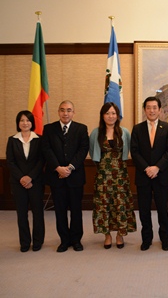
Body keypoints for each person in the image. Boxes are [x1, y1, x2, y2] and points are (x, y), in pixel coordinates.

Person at [42, 100, 89, 252]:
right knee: (60, 211)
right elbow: (47, 150)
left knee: (76, 210)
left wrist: (69, 168)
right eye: (62, 110)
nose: (65, 113)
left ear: (73, 113)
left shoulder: (81, 129)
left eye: (69, 110)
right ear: (58, 112)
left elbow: (83, 150)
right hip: (57, 177)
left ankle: (76, 240)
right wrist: (58, 168)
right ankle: (64, 240)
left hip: (75, 176)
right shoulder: (49, 129)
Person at [89, 102, 136, 249]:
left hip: (120, 175)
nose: (111, 116)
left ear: (117, 115)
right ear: (102, 115)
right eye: (107, 113)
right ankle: (107, 235)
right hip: (103, 175)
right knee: (104, 205)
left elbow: (129, 152)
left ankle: (120, 234)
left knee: (120, 204)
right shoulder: (96, 133)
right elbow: (92, 152)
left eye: (113, 113)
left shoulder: (125, 132)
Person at [131, 96, 168, 251]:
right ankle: (146, 239)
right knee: (144, 209)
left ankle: (165, 238)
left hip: (161, 175)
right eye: (148, 107)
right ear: (144, 110)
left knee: (162, 208)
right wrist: (147, 168)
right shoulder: (137, 129)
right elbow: (134, 152)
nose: (151, 110)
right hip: (143, 176)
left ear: (160, 110)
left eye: (154, 107)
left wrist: (157, 167)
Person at [6, 110, 45, 252]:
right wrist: (22, 177)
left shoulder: (39, 139)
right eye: (22, 120)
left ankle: (38, 241)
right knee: (21, 213)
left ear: (32, 123)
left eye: (28, 120)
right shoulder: (12, 140)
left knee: (37, 212)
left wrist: (30, 177)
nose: (25, 123)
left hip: (36, 181)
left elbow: (41, 160)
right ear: (18, 123)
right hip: (18, 183)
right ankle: (24, 242)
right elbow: (10, 162)